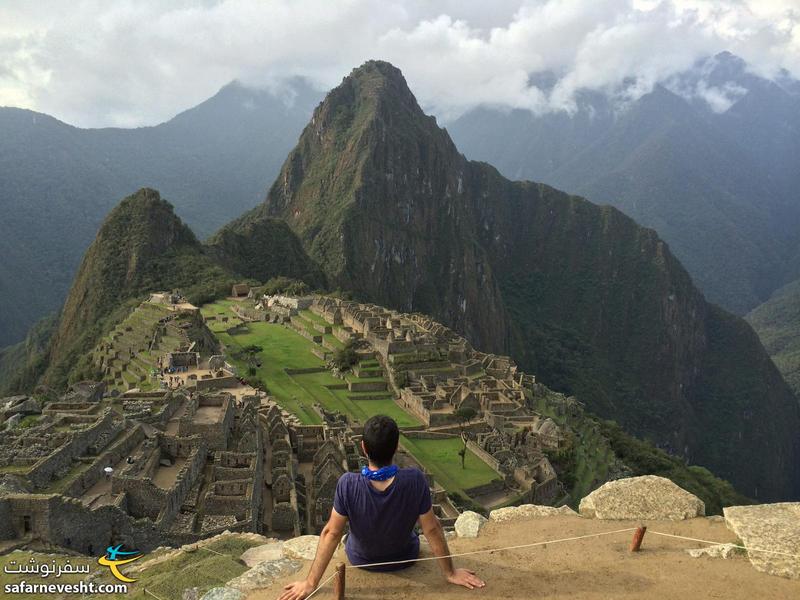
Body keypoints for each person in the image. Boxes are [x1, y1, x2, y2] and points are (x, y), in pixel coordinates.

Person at [279, 415, 485, 600]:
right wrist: (450, 573)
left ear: (364, 448)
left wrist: (310, 583)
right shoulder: (414, 480)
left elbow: (331, 533)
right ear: (396, 447)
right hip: (405, 557)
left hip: (361, 559)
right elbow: (432, 529)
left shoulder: (348, 483)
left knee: (345, 538)